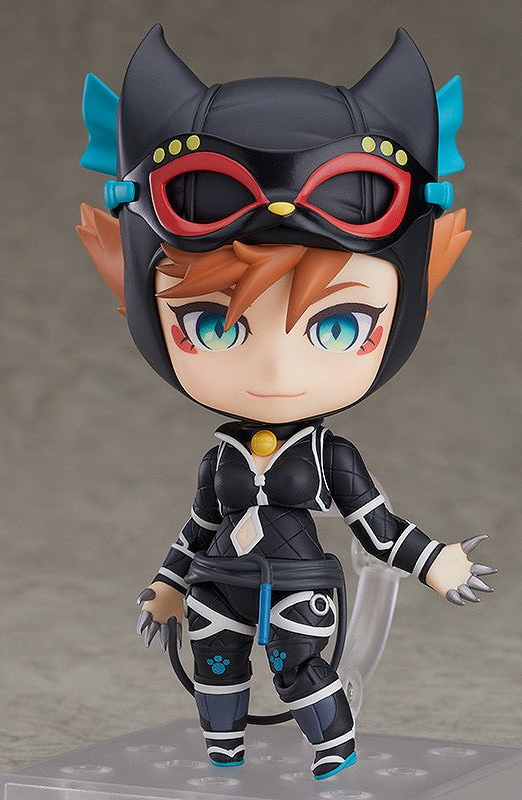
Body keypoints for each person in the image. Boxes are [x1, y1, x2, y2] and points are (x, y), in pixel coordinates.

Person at [78, 25, 496, 780]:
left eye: (338, 327)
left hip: (299, 583)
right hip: (220, 581)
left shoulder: (330, 456)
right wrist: (168, 585)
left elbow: (375, 526)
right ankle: (223, 757)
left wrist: (433, 560)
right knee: (216, 667)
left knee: (302, 669)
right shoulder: (221, 457)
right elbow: (199, 525)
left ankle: (333, 752)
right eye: (213, 326)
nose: (275, 368)